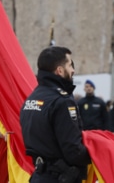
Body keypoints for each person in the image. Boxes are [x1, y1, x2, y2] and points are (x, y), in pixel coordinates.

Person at [20, 46, 91, 183]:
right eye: (70, 65)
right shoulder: (62, 102)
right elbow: (73, 151)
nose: (73, 70)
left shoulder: (31, 99)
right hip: (59, 177)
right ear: (59, 70)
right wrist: (97, 154)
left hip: (39, 176)